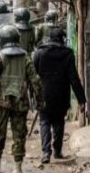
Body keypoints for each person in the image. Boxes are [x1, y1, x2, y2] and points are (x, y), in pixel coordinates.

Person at [0, 25, 43, 173]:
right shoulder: (26, 58)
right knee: (19, 135)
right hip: (21, 103)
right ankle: (17, 170)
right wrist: (40, 101)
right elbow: (35, 81)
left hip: (2, 103)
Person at [33, 28, 86, 163]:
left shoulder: (39, 53)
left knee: (44, 122)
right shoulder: (68, 54)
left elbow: (33, 75)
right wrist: (81, 99)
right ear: (61, 39)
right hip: (61, 95)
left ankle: (46, 152)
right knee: (58, 122)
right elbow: (74, 79)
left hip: (44, 94)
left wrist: (32, 94)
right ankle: (57, 151)